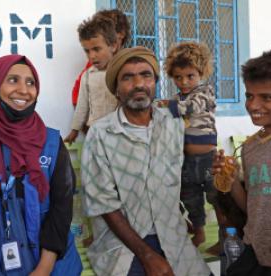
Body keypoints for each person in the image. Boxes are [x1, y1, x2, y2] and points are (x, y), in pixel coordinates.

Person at [81, 46, 211, 276]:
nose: (138, 84)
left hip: (172, 234)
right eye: (128, 78)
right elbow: (104, 204)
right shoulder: (101, 134)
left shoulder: (173, 124)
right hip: (123, 244)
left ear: (155, 82)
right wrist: (147, 255)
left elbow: (179, 176)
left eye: (146, 75)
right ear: (117, 89)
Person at [0, 54, 82, 275]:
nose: (24, 90)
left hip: (52, 265)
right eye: (12, 80)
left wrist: (43, 269)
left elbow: (61, 209)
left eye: (31, 82)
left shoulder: (52, 143)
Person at [213, 48, 271, 275]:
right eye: (249, 95)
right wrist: (233, 179)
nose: (253, 105)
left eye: (267, 97)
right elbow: (254, 206)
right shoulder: (250, 146)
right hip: (256, 254)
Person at [161, 41, 218, 247]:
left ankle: (225, 234)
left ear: (201, 73)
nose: (184, 82)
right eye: (178, 77)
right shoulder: (176, 99)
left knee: (216, 197)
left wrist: (167, 106)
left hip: (208, 159)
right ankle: (200, 232)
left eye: (190, 76)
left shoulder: (205, 92)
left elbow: (192, 107)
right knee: (190, 198)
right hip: (185, 159)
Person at [64, 16, 119, 144]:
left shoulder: (121, 73)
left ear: (113, 46)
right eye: (87, 51)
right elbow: (82, 106)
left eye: (96, 49)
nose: (92, 56)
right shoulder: (88, 75)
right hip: (95, 133)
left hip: (119, 132)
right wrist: (74, 131)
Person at [71, 9, 130, 107]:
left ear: (121, 34)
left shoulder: (131, 64)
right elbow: (77, 98)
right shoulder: (93, 66)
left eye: (109, 28)